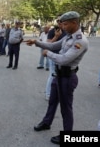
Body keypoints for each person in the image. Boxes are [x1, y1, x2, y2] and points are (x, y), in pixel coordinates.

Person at [25, 11, 89, 145]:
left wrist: (47, 54)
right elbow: (55, 45)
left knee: (66, 108)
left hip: (68, 77)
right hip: (58, 75)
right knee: (52, 101)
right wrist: (37, 42)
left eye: (65, 24)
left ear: (74, 23)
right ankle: (46, 122)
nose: (63, 26)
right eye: (62, 24)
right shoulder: (68, 37)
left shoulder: (80, 40)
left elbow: (64, 59)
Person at [44, 18, 67, 101]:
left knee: (61, 76)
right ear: (57, 22)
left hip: (62, 56)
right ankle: (48, 94)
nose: (61, 23)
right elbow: (48, 44)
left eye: (63, 21)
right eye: (59, 21)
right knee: (53, 75)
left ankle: (57, 93)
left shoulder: (66, 31)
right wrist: (56, 36)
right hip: (53, 55)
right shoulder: (52, 31)